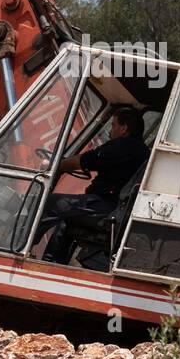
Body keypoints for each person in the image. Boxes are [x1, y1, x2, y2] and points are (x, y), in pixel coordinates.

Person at [36, 106, 149, 264]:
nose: (110, 132)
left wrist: (55, 165)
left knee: (53, 203)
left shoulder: (123, 146)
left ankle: (22, 242)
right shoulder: (139, 150)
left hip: (108, 206)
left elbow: (84, 160)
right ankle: (51, 263)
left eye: (113, 125)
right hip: (115, 206)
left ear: (123, 129)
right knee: (66, 219)